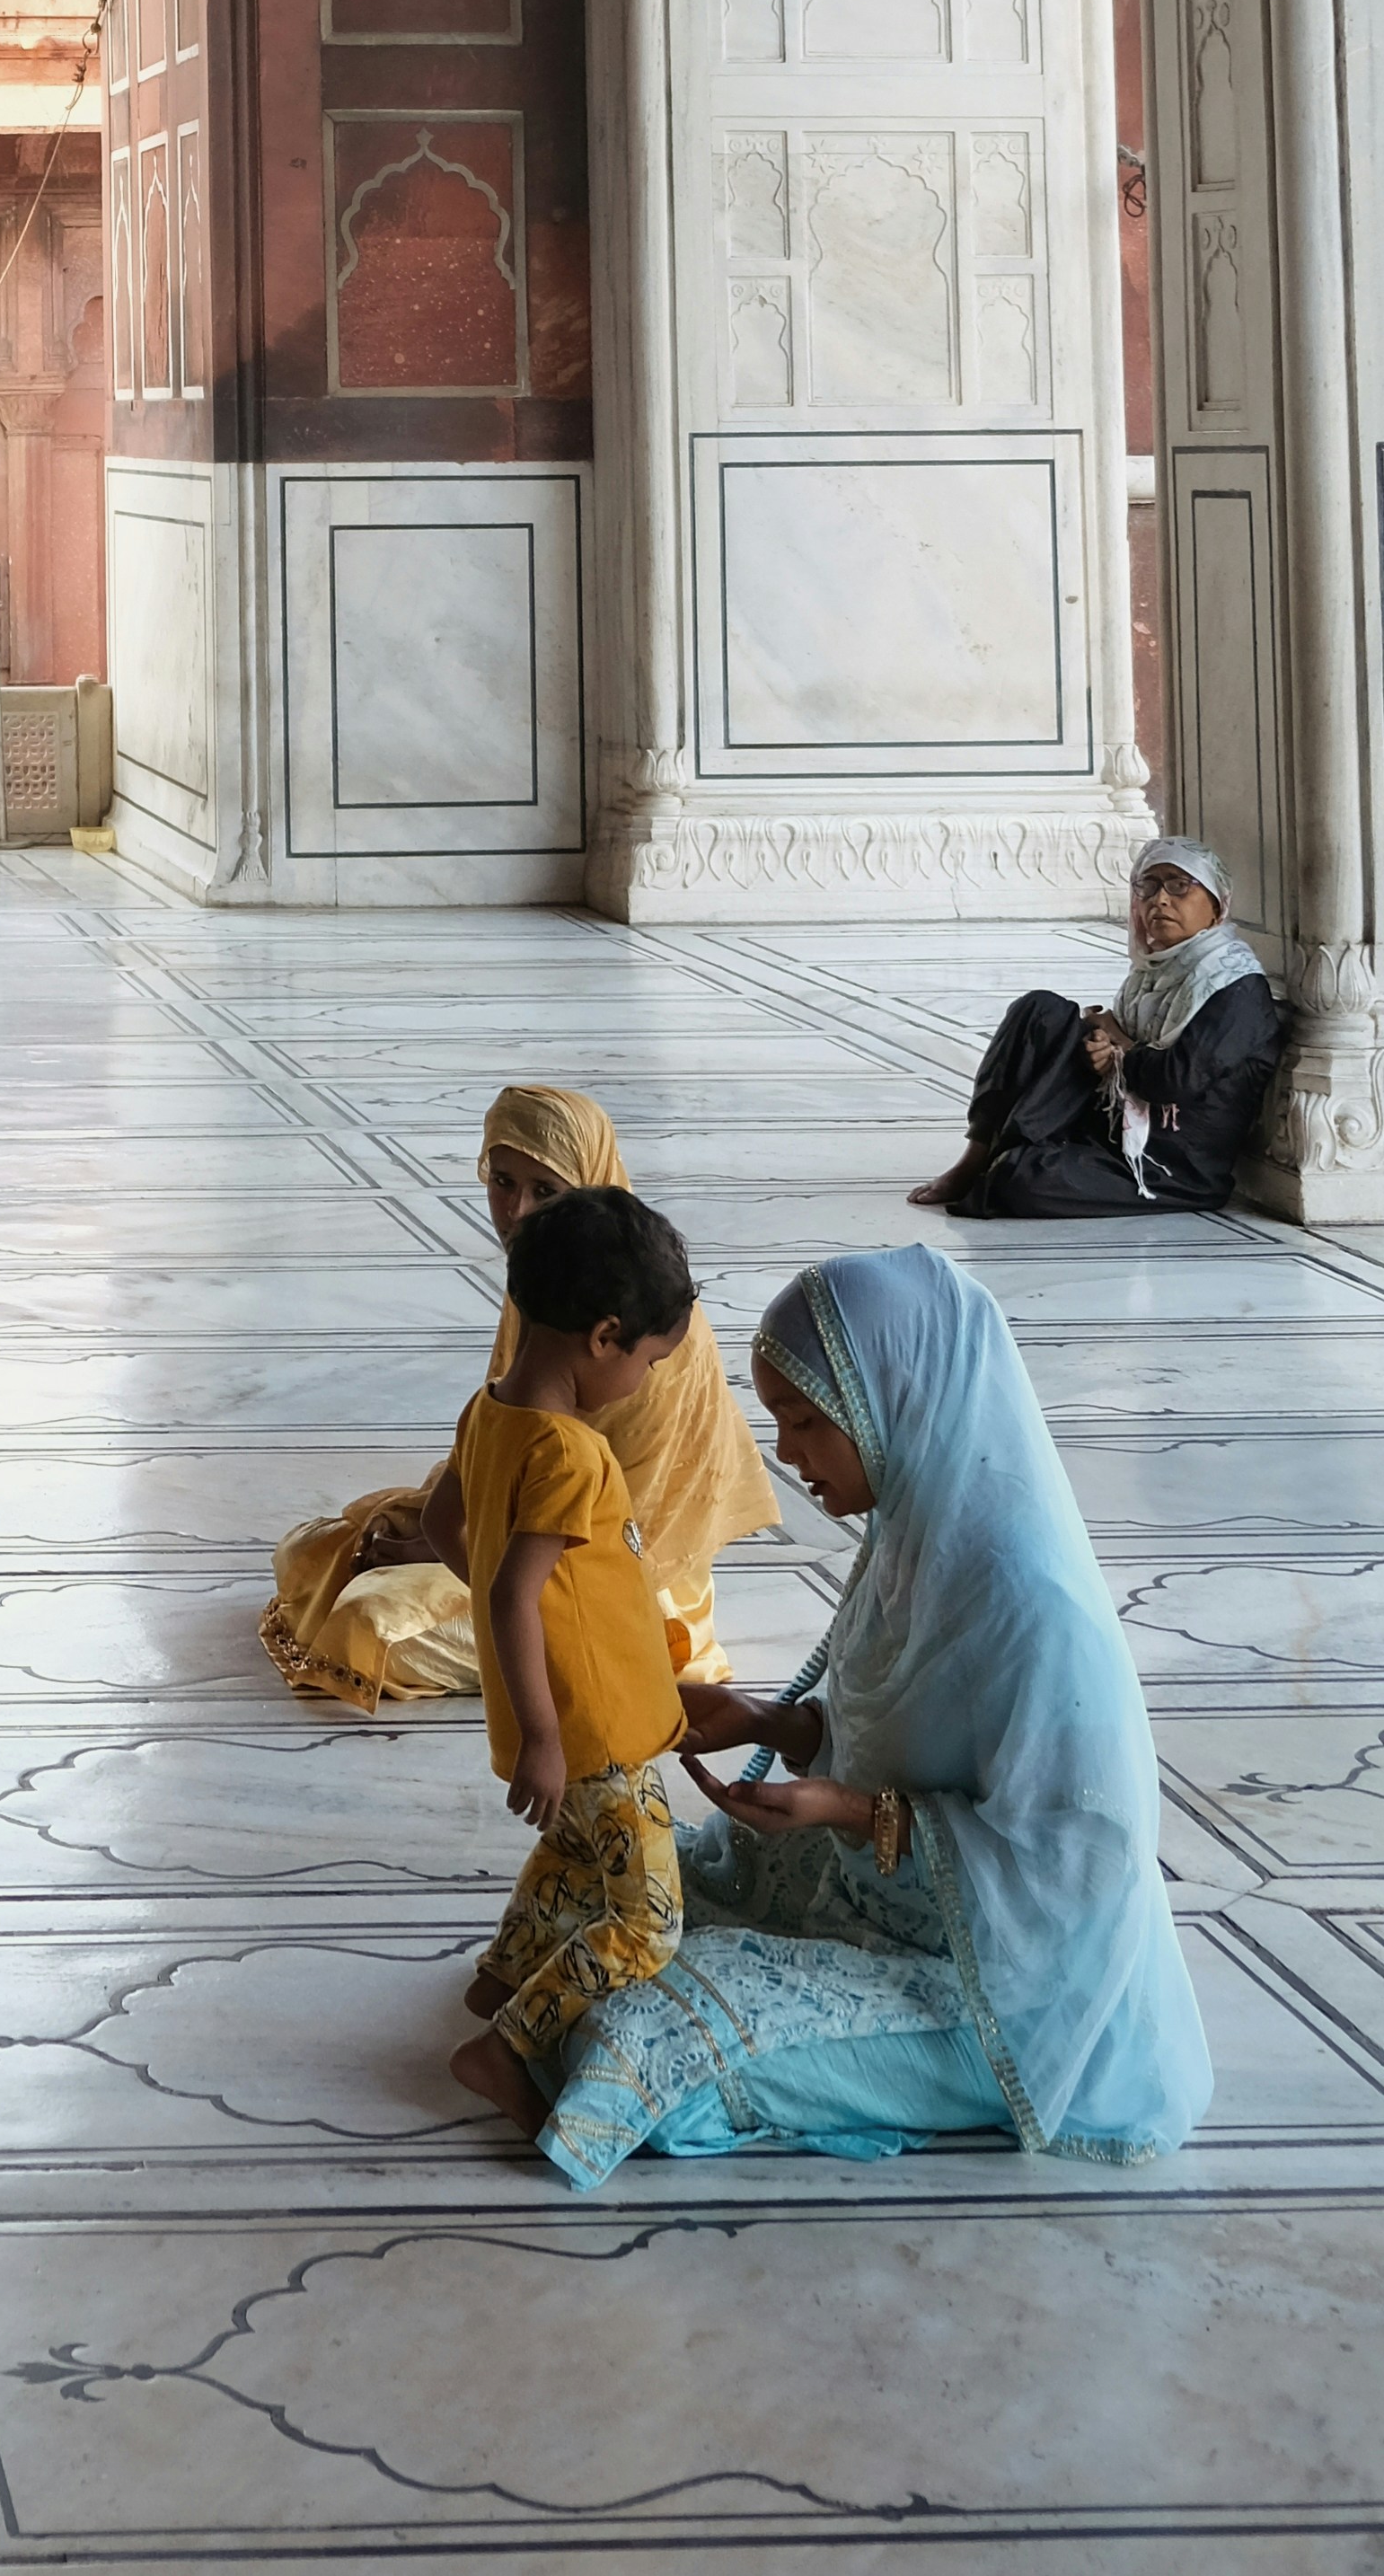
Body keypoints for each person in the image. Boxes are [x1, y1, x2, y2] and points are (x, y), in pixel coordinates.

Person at [535, 1244, 1213, 2192]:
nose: (787, 1452)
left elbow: (1081, 1860)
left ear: (890, 1400)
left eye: (806, 1420)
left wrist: (853, 1813)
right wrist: (773, 1725)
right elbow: (907, 1731)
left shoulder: (1031, 1604)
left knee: (638, 2033)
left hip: (1000, 1984)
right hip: (878, 1895)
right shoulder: (917, 1531)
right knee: (602, 1897)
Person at [263, 1084, 780, 1707]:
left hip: (616, 1581)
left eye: (546, 1191)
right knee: (311, 1550)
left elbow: (618, 1537)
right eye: (503, 1182)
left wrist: (456, 1551)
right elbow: (499, 1447)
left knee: (366, 1625)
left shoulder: (652, 1326)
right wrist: (433, 1537)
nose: (517, 1212)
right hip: (521, 1534)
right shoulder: (546, 1273)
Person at [428, 1188, 701, 2140]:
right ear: (604, 1335)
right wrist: (545, 1728)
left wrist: (521, 1653)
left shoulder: (490, 1411)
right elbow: (510, 1589)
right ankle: (509, 2040)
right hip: (589, 1723)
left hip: (566, 1709)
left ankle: (502, 1967)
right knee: (648, 1918)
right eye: (650, 1360)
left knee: (578, 1848)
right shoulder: (571, 1452)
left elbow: (443, 1527)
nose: (648, 1378)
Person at [912, 834, 1283, 1215]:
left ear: (1216, 904)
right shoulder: (1154, 972)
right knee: (1039, 1011)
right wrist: (1103, 1040)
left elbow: (1176, 1080)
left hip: (1169, 1164)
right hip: (1114, 1124)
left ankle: (1019, 1156)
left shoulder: (1234, 987)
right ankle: (976, 1156)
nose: (1160, 900)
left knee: (1018, 1180)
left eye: (1179, 886)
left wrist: (1117, 1044)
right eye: (1148, 886)